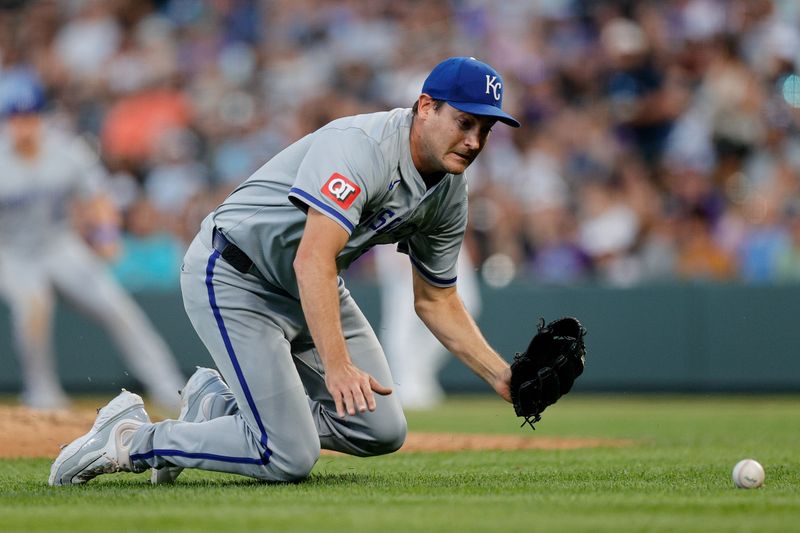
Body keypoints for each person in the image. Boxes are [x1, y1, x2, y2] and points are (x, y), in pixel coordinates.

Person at [49, 56, 520, 486]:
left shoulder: (449, 191)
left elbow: (435, 299)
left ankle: (217, 410)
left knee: (380, 428)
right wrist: (336, 367)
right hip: (236, 274)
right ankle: (131, 439)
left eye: (485, 128)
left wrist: (503, 377)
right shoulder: (362, 147)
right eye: (464, 122)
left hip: (309, 286)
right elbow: (311, 258)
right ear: (425, 107)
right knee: (288, 456)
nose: (474, 140)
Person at [0, 69, 185, 411]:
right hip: (12, 252)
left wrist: (105, 235)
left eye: (27, 115)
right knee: (32, 307)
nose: (21, 124)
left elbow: (98, 198)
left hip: (58, 244)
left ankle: (168, 386)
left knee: (117, 306)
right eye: (14, 117)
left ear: (39, 115)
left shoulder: (65, 149)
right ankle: (42, 394)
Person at [374, 244, 481, 409]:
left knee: (467, 305)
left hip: (442, 232)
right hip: (401, 232)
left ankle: (418, 375)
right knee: (403, 320)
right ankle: (403, 384)